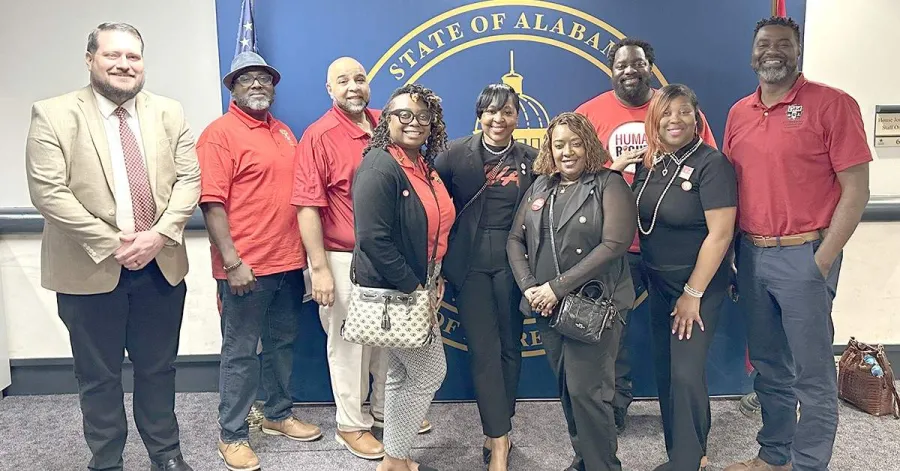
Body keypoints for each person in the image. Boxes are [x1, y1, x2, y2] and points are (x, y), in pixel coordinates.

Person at [24, 22, 199, 471]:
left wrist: (158, 235)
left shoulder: (169, 112)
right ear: (90, 59)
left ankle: (167, 455)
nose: (124, 64)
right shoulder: (53, 113)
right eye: (113, 55)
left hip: (160, 265)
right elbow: (49, 193)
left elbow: (188, 180)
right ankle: (107, 461)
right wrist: (116, 244)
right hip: (88, 267)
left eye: (133, 56)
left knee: (158, 370)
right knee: (98, 376)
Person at [723, 17, 871, 471]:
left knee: (812, 375)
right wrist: (732, 257)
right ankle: (774, 457)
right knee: (769, 368)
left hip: (805, 255)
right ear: (752, 56)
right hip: (750, 256)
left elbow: (857, 190)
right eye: (764, 44)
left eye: (783, 44)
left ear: (798, 50)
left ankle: (809, 464)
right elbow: (731, 190)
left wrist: (821, 260)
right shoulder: (738, 113)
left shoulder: (832, 104)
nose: (773, 52)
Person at [574, 37, 717, 435]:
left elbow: (708, 167)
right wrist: (612, 170)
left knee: (677, 336)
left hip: (671, 248)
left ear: (649, 67)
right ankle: (614, 409)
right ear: (611, 69)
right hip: (614, 243)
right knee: (609, 330)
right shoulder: (591, 113)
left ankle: (683, 427)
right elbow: (573, 177)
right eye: (621, 65)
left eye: (637, 64)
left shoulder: (674, 111)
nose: (629, 71)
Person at [197, 51, 322, 471]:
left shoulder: (285, 132)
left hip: (288, 264)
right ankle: (231, 435)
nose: (257, 85)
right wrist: (232, 263)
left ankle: (277, 415)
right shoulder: (220, 134)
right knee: (240, 353)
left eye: (264, 79)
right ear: (232, 87)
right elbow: (211, 203)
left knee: (282, 345)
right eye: (247, 79)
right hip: (245, 268)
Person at [507, 112, 637, 471]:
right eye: (559, 144)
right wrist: (531, 288)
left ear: (589, 145)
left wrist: (555, 288)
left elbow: (614, 244)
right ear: (549, 148)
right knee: (569, 390)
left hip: (594, 306)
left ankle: (603, 466)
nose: (567, 152)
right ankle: (586, 459)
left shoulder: (609, 183)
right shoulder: (540, 186)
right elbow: (515, 240)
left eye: (575, 143)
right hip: (547, 308)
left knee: (589, 392)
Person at [292, 57, 397, 460]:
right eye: (343, 80)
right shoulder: (318, 136)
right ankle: (351, 425)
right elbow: (306, 205)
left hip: (386, 258)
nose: (353, 86)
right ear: (329, 89)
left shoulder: (385, 126)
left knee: (386, 340)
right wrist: (318, 268)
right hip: (342, 257)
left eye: (360, 78)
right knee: (349, 345)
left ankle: (385, 411)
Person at [632, 85, 737, 471]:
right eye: (666, 113)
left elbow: (721, 234)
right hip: (658, 284)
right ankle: (687, 451)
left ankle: (688, 461)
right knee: (666, 371)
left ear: (697, 118)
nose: (674, 120)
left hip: (697, 286)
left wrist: (692, 293)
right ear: (654, 119)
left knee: (686, 373)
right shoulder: (650, 163)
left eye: (684, 113)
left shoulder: (713, 165)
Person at [434, 83, 537, 471]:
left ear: (517, 117)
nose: (499, 119)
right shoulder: (454, 155)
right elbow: (435, 208)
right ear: (480, 115)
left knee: (511, 348)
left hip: (516, 266)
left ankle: (499, 429)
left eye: (507, 112)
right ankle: (497, 441)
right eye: (491, 112)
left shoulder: (532, 158)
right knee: (484, 351)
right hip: (471, 265)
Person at [352, 83, 455, 471]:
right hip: (401, 288)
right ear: (387, 120)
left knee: (399, 372)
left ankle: (395, 458)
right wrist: (415, 289)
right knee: (430, 370)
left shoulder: (420, 164)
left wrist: (434, 278)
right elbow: (372, 239)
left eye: (424, 117)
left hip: (424, 281)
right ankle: (394, 459)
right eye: (404, 115)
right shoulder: (380, 165)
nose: (414, 123)